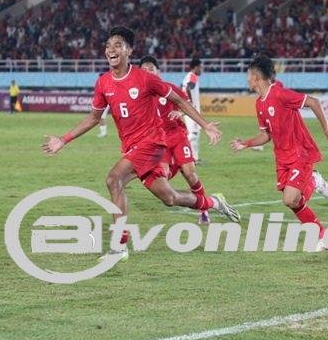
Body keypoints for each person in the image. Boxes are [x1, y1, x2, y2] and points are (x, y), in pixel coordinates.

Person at [42, 26, 240, 259]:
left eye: (117, 45)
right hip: (132, 148)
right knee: (170, 198)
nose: (111, 49)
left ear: (129, 51)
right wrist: (64, 140)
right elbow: (94, 118)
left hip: (152, 143)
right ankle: (214, 203)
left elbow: (179, 100)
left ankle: (119, 246)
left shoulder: (145, 79)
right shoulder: (103, 83)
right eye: (108, 45)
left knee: (113, 179)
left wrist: (205, 125)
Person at [230, 55, 328, 252]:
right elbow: (266, 135)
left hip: (300, 152)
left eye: (248, 75)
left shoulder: (280, 94)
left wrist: (327, 131)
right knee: (293, 202)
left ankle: (321, 231)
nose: (246, 80)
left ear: (256, 77)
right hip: (282, 158)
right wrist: (245, 144)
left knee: (290, 199)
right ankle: (320, 225)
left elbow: (313, 102)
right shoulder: (259, 104)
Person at [140, 55, 212, 224]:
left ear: (158, 71)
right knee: (163, 183)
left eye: (151, 68)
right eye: (144, 70)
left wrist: (179, 112)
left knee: (190, 174)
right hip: (160, 142)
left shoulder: (168, 88)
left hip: (177, 136)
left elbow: (186, 103)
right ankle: (191, 195)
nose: (148, 72)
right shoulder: (141, 97)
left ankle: (204, 209)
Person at [182, 58, 203, 162]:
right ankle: (187, 156)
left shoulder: (188, 76)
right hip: (191, 110)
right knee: (193, 134)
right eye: (201, 67)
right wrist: (190, 102)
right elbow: (188, 88)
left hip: (191, 109)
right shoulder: (192, 76)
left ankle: (195, 158)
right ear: (195, 67)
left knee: (196, 134)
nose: (202, 69)